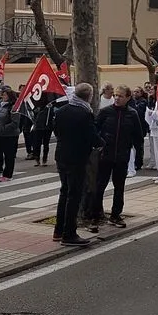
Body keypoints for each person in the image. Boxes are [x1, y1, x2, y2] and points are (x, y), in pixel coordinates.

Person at [52, 83, 98, 246]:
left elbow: (56, 131)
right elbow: (92, 136)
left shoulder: (62, 110)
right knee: (74, 195)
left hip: (61, 156)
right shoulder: (85, 113)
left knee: (64, 192)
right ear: (90, 97)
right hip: (77, 159)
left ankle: (58, 230)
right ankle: (69, 233)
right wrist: (103, 143)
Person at [92, 86, 144, 229]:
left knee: (119, 187)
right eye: (115, 95)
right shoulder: (105, 112)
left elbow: (138, 137)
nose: (117, 98)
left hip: (122, 155)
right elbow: (95, 129)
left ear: (127, 97)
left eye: (120, 96)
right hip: (105, 155)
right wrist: (100, 144)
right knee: (100, 185)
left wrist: (138, 156)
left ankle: (116, 215)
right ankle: (95, 216)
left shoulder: (132, 114)